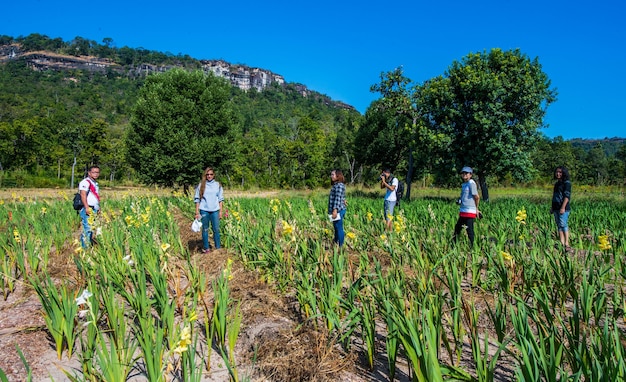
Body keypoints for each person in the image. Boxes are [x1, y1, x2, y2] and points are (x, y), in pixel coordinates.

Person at [194, 167, 224, 253]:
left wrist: (220, 211)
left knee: (216, 229)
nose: (209, 176)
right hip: (204, 210)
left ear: (214, 175)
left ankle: (218, 248)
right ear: (205, 175)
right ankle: (206, 248)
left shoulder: (218, 185)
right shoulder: (201, 185)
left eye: (211, 174)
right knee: (205, 229)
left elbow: (220, 199)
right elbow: (197, 199)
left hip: (215, 210)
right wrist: (196, 212)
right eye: (207, 174)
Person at [452, 166, 480, 247]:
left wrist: (476, 209)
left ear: (470, 174)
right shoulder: (464, 184)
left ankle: (473, 246)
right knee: (457, 228)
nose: (464, 175)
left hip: (469, 211)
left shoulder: (471, 183)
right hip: (463, 210)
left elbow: (476, 197)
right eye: (463, 173)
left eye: (466, 173)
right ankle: (453, 245)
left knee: (469, 230)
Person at [78, 165, 101, 248]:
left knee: (91, 228)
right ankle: (84, 248)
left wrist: (98, 208)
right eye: (94, 172)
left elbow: (95, 197)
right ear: (89, 173)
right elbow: (83, 194)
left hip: (94, 208)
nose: (96, 174)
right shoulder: (85, 182)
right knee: (87, 228)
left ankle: (88, 245)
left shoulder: (95, 183)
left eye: (97, 172)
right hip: (88, 208)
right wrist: (87, 207)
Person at [550, 166, 571, 249]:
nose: (558, 174)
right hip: (556, 207)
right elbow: (554, 196)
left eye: (560, 172)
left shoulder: (566, 183)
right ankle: (561, 242)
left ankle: (566, 243)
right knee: (559, 225)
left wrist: (563, 207)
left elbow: (567, 196)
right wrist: (552, 207)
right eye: (557, 172)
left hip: (563, 208)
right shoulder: (557, 184)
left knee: (563, 224)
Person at [328, 169, 347, 247]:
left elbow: (337, 198)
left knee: (339, 228)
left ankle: (340, 246)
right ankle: (336, 242)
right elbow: (341, 197)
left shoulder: (339, 185)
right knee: (336, 227)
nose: (331, 176)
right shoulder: (337, 185)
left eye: (333, 174)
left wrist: (335, 210)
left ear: (337, 176)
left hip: (338, 210)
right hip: (337, 209)